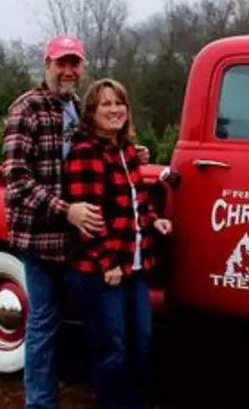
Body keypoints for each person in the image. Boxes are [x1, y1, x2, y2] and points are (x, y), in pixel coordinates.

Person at [2, 36, 148, 409]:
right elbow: (17, 179)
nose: (68, 71)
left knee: (102, 329)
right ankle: (40, 402)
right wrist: (64, 209)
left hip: (80, 241)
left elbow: (99, 145)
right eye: (60, 63)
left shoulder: (78, 107)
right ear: (47, 64)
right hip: (42, 239)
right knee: (44, 325)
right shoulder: (27, 109)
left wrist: (129, 150)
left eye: (75, 64)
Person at [63, 78, 172, 409]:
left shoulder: (126, 150)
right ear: (91, 113)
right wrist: (106, 262)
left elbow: (138, 199)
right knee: (113, 347)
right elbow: (89, 218)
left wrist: (154, 220)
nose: (114, 110)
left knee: (142, 341)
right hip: (104, 269)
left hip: (135, 266)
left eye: (119, 103)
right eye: (105, 104)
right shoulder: (86, 153)